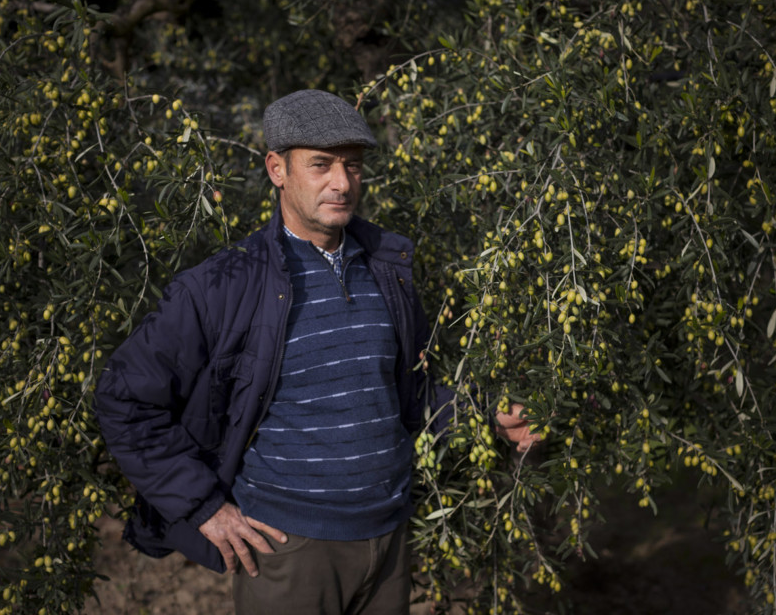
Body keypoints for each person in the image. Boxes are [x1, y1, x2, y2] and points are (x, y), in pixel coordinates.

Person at [94, 89, 539, 614]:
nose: (342, 183)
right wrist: (203, 507)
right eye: (321, 165)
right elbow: (123, 398)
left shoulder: (386, 269)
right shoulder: (222, 286)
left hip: (388, 540)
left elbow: (410, 392)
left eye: (352, 166)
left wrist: (487, 415)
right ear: (277, 169)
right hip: (288, 552)